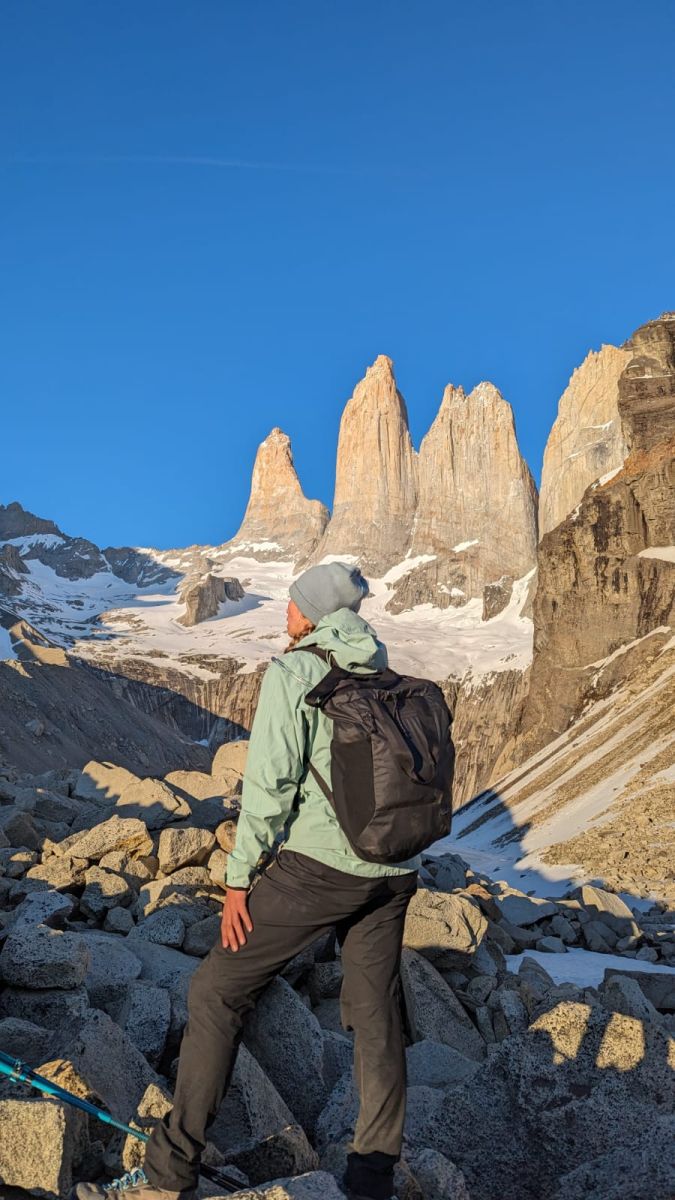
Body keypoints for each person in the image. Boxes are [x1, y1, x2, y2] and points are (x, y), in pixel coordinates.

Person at [76, 561, 421, 1200]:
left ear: (312, 614)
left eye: (293, 605)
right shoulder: (383, 672)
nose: (284, 614)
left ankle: (170, 1170)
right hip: (395, 869)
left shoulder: (296, 672)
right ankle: (372, 1178)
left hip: (322, 867)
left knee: (215, 991)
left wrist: (240, 882)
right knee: (376, 1019)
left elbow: (269, 790)